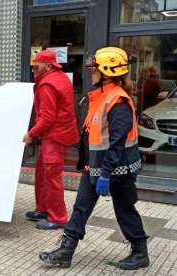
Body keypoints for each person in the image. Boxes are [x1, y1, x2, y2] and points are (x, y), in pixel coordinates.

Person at [39, 47, 149, 270]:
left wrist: (106, 174)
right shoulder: (101, 96)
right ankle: (66, 251)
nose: (92, 72)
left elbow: (117, 143)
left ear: (106, 72)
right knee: (81, 208)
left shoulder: (118, 101)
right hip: (96, 168)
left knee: (125, 210)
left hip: (117, 171)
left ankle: (140, 252)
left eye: (95, 69)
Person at [23, 50, 79, 230]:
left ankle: (58, 217)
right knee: (42, 171)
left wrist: (31, 133)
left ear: (47, 66)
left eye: (36, 67)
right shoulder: (60, 77)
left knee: (52, 176)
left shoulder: (47, 84)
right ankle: (43, 209)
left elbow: (47, 118)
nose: (33, 71)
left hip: (55, 136)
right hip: (57, 134)